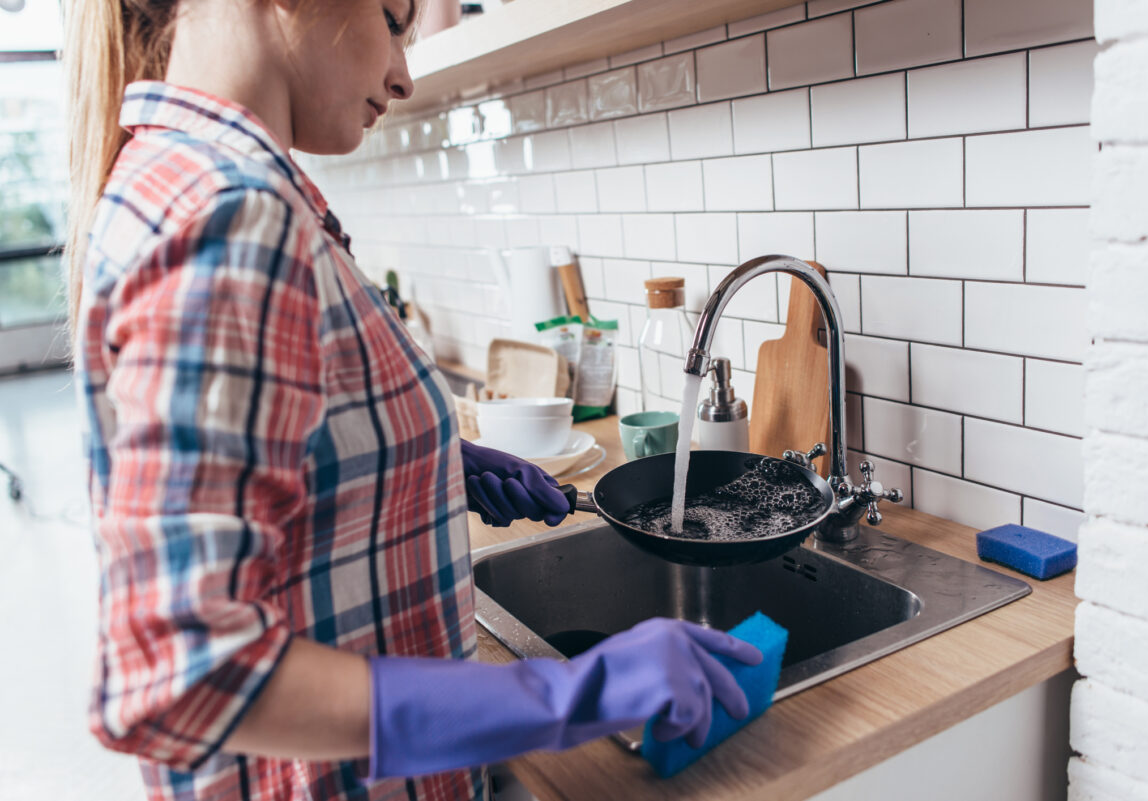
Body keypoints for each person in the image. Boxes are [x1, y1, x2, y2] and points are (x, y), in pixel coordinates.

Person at [62, 1, 762, 800]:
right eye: (395, 18)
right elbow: (180, 674)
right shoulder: (231, 215)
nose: (402, 73)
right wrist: (568, 695)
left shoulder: (186, 180)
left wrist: (422, 461)